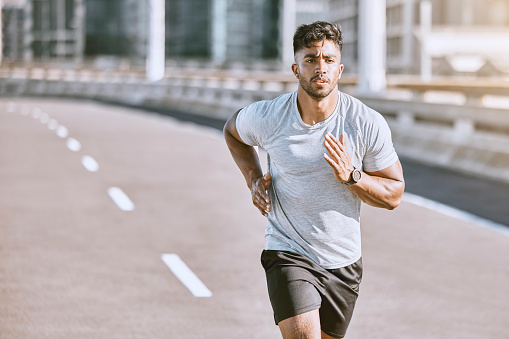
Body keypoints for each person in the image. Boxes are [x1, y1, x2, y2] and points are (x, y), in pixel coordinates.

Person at [223, 21, 404, 339]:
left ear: (340, 69)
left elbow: (393, 194)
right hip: (287, 249)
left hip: (343, 260)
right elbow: (232, 131)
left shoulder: (365, 123)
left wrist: (353, 176)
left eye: (328, 60)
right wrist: (253, 178)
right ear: (296, 69)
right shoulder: (270, 117)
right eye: (310, 59)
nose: (320, 68)